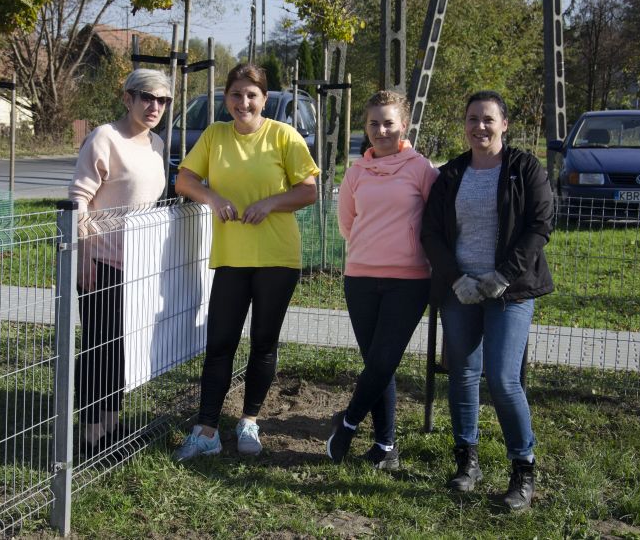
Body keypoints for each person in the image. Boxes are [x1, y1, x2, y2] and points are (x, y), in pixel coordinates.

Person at [172, 63, 319, 461]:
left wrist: (270, 203)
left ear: (264, 99)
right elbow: (184, 180)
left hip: (277, 257)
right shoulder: (215, 135)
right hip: (232, 257)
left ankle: (249, 420)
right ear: (226, 99)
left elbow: (308, 191)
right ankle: (206, 430)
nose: (243, 102)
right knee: (220, 343)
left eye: (251, 95)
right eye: (236, 94)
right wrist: (213, 197)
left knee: (264, 344)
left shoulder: (283, 135)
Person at [420, 90, 554, 511]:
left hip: (509, 292)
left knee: (502, 379)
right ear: (465, 124)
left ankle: (523, 469)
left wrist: (504, 275)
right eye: (473, 118)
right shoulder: (451, 173)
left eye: (488, 119)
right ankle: (467, 462)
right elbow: (430, 233)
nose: (480, 126)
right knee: (462, 374)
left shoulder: (524, 168)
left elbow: (540, 224)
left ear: (504, 125)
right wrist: (455, 278)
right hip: (461, 291)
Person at [326, 90, 438, 470]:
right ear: (366, 127)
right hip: (360, 279)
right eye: (374, 123)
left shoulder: (421, 169)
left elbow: (436, 221)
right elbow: (347, 223)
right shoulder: (356, 172)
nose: (381, 130)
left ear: (403, 125)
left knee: (384, 360)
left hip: (408, 281)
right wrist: (370, 248)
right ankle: (385, 447)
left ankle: (347, 424)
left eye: (389, 122)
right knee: (376, 363)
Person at [68, 68, 173, 454]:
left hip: (138, 267)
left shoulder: (157, 145)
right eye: (147, 97)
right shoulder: (105, 138)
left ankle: (112, 425)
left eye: (163, 100)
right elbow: (78, 199)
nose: (154, 106)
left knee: (123, 348)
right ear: (128, 99)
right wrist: (83, 255)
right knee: (99, 346)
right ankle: (90, 434)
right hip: (101, 263)